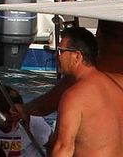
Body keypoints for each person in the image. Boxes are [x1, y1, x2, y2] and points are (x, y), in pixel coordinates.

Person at [44, 25, 123, 157]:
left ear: (77, 56)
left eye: (60, 51)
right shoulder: (118, 84)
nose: (56, 56)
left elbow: (64, 148)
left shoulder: (74, 95)